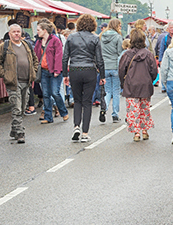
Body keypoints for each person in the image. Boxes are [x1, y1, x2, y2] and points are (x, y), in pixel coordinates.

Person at [62, 13, 105, 143]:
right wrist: (102, 75)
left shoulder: (71, 38)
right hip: (89, 70)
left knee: (77, 100)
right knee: (87, 102)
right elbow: (99, 59)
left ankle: (76, 126)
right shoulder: (95, 38)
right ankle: (85, 133)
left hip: (74, 69)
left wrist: (65, 74)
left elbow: (65, 58)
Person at [0, 23, 39, 144]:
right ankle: (20, 132)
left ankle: (14, 129)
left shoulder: (27, 45)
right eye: (14, 32)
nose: (16, 34)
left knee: (23, 107)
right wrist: (4, 74)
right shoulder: (5, 47)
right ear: (9, 33)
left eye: (18, 32)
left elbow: (35, 60)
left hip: (27, 81)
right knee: (17, 107)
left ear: (21, 33)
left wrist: (34, 71)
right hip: (13, 82)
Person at [118, 28, 158, 142]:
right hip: (145, 84)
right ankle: (145, 130)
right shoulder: (149, 54)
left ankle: (136, 133)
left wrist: (123, 83)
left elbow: (121, 70)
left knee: (133, 109)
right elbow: (154, 71)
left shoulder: (127, 54)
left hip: (131, 84)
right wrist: (150, 80)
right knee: (145, 108)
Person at [34, 20, 69, 124]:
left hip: (54, 71)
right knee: (45, 94)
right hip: (44, 71)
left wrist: (57, 70)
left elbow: (59, 56)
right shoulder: (39, 42)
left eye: (39, 30)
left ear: (45, 30)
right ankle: (48, 116)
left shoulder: (55, 40)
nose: (37, 32)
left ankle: (63, 112)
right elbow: (35, 55)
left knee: (55, 92)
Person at [99, 18, 124, 123]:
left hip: (105, 66)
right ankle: (115, 114)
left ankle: (104, 108)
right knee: (116, 91)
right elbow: (120, 52)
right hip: (114, 65)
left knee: (107, 91)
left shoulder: (101, 37)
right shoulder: (118, 37)